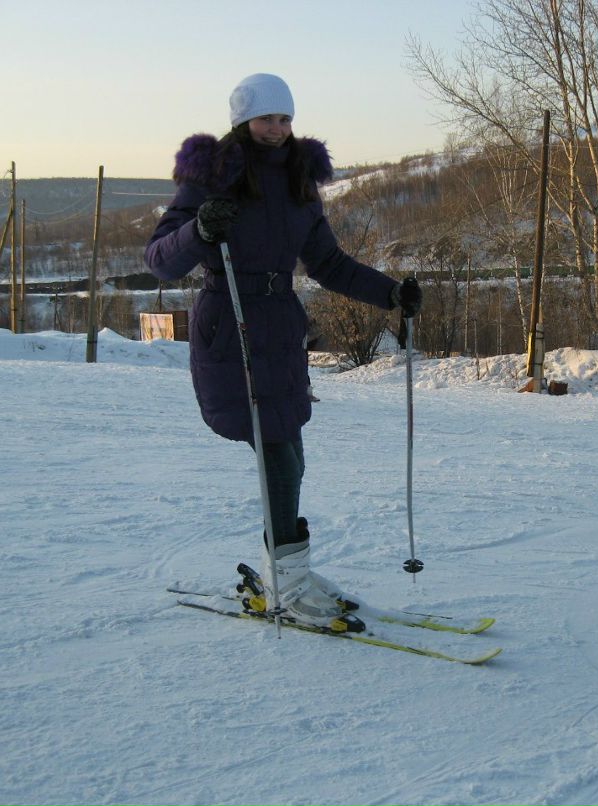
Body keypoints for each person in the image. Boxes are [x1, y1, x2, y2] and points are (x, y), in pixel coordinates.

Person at [145, 73, 422, 630]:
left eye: (285, 118)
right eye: (266, 118)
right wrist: (199, 230)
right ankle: (288, 586)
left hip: (280, 327)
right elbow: (159, 260)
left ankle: (287, 573)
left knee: (290, 454)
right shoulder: (212, 175)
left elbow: (329, 263)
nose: (277, 128)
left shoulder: (299, 179)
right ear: (242, 121)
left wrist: (390, 294)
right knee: (278, 459)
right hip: (231, 327)